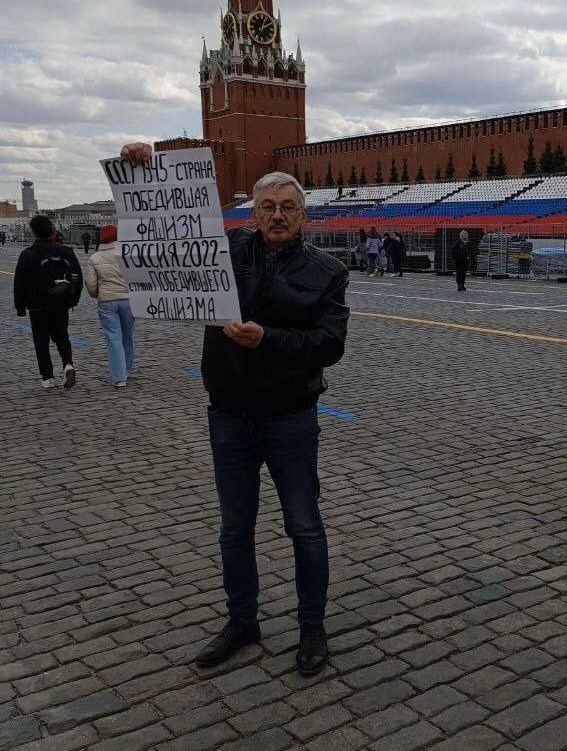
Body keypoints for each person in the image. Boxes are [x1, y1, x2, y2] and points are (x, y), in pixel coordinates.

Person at [121, 143, 349, 676]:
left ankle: (311, 627)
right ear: (252, 214)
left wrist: (265, 338)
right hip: (228, 413)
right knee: (234, 529)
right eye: (267, 206)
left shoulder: (326, 271)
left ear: (302, 216)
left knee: (304, 526)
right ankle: (241, 622)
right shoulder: (220, 252)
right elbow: (165, 229)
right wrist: (144, 167)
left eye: (287, 207)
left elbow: (329, 344)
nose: (276, 216)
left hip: (290, 416)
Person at [13, 215, 83, 389]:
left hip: (38, 306)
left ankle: (48, 377)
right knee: (62, 337)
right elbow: (77, 277)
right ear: (53, 229)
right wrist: (72, 299)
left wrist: (20, 306)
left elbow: (20, 283)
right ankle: (68, 365)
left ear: (34, 232)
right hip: (61, 303)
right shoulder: (66, 251)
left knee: (41, 341)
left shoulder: (28, 254)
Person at [84, 224, 135, 386]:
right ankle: (127, 369)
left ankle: (119, 377)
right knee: (128, 336)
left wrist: (96, 295)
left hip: (107, 301)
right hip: (128, 300)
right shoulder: (127, 254)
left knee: (113, 338)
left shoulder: (95, 258)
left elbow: (91, 284)